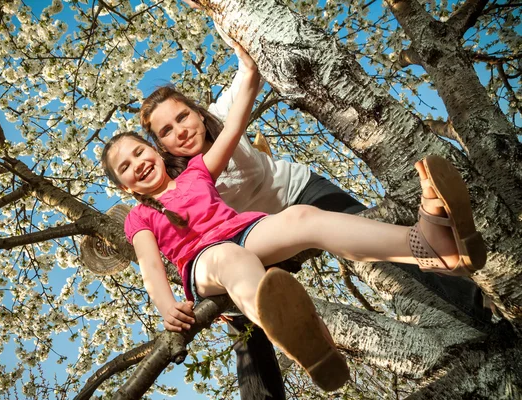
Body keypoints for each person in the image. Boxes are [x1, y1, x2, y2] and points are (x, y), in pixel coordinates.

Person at [101, 45, 486, 393]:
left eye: (138, 153)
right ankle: (305, 340)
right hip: (205, 262)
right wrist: (167, 306)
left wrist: (245, 53)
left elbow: (235, 124)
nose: (138, 163)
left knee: (304, 217)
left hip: (250, 229)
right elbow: (151, 267)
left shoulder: (197, 171)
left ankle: (428, 244)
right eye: (126, 166)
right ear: (126, 185)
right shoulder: (140, 215)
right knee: (232, 263)